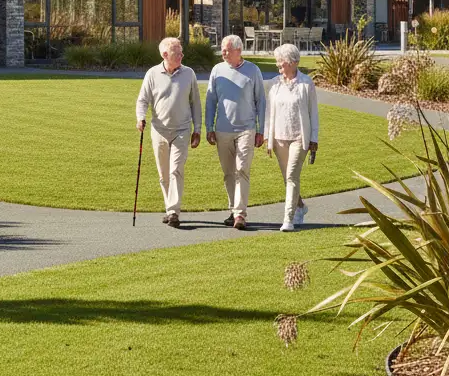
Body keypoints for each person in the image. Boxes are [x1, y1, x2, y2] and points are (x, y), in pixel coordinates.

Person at [135, 36, 202, 228]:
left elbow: (195, 103)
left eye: (181, 51)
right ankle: (169, 207)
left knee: (176, 170)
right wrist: (140, 117)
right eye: (177, 52)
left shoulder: (189, 73)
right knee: (163, 174)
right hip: (159, 131)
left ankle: (173, 211)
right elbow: (142, 100)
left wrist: (197, 129)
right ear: (165, 54)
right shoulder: (152, 74)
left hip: (182, 130)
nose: (182, 55)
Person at [205, 34, 266, 230]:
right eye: (222, 49)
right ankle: (233, 210)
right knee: (228, 173)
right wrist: (209, 127)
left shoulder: (253, 70)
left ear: (238, 51)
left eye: (227, 49)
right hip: (223, 130)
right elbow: (210, 100)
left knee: (242, 170)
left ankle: (240, 214)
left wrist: (261, 129)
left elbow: (261, 102)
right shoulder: (217, 70)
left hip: (246, 129)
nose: (223, 52)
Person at [265, 42, 319, 232]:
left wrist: (314, 138)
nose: (278, 64)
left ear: (292, 62)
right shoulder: (274, 84)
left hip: (299, 138)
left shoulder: (306, 83)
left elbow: (313, 113)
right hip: (279, 137)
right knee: (288, 179)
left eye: (281, 61)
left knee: (291, 176)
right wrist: (267, 138)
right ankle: (301, 206)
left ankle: (288, 218)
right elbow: (269, 113)